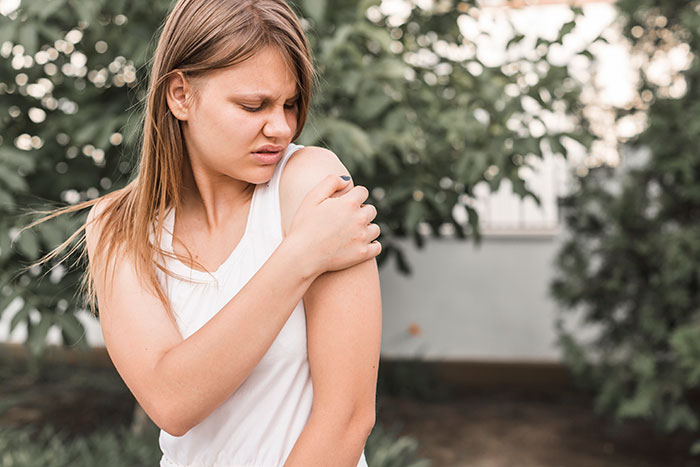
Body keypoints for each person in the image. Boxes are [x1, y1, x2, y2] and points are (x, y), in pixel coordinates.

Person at [29, 0, 382, 465]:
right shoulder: (119, 227)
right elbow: (173, 402)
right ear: (180, 95)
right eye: (252, 105)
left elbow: (347, 418)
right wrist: (301, 257)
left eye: (290, 104)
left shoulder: (308, 183)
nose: (280, 127)